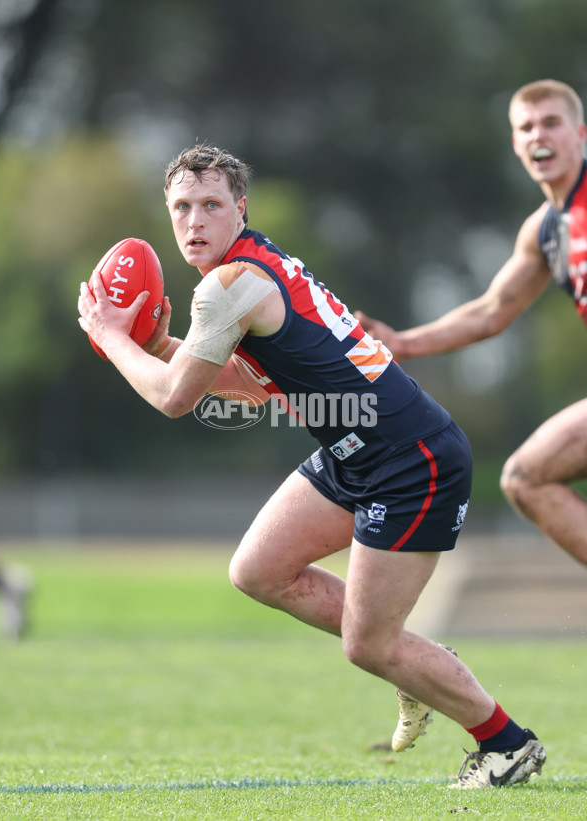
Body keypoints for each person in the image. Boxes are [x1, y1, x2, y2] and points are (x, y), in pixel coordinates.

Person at [77, 143, 546, 789]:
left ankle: (507, 743)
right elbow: (253, 384)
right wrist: (160, 344)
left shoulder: (229, 286)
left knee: (368, 645)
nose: (194, 221)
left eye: (211, 205)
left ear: (239, 209)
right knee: (258, 570)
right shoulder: (250, 267)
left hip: (412, 459)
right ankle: (421, 662)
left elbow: (173, 397)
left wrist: (111, 336)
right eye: (182, 207)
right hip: (358, 453)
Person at [356, 77, 587, 755]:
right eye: (525, 128)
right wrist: (401, 343)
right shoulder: (546, 229)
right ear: (516, 144)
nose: (538, 136)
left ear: (580, 134)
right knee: (526, 476)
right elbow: (491, 311)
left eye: (551, 122)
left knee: (527, 474)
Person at [0, 555, 31, 640]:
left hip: (15, 586)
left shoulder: (4, 572)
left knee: (12, 610)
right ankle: (12, 631)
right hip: (11, 586)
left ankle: (14, 633)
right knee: (9, 609)